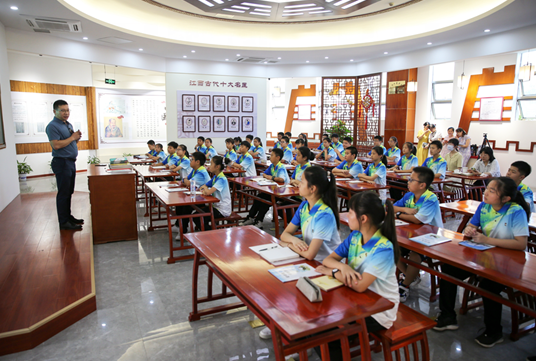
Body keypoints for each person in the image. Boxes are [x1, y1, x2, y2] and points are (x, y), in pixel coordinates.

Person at [434, 177, 530, 348]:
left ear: (505, 198)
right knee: (448, 270)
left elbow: (520, 244)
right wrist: (471, 230)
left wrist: (487, 239)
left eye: (492, 191)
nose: (485, 192)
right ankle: (447, 316)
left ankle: (494, 331)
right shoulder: (484, 206)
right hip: (483, 256)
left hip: (509, 261)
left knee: (489, 287)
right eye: (488, 188)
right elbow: (471, 226)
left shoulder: (516, 212)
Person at [258, 166, 342, 345]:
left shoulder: (324, 214)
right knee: (274, 277)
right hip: (307, 259)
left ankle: (303, 337)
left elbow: (311, 254)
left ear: (312, 189)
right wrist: (293, 242)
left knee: (289, 285)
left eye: (302, 181)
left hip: (324, 266)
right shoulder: (305, 205)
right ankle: (280, 323)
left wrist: (290, 243)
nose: (297, 183)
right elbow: (285, 234)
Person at [314, 191, 400, 360]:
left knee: (323, 331)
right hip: (354, 299)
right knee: (316, 319)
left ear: (363, 219)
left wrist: (334, 271)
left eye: (350, 212)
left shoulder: (383, 248)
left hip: (379, 310)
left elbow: (360, 286)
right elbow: (329, 259)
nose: (347, 215)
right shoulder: (355, 236)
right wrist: (341, 267)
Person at [393, 167, 443, 302]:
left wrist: (398, 214)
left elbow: (418, 219)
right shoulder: (409, 195)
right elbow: (390, 207)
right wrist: (404, 210)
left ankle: (405, 285)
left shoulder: (430, 198)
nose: (408, 182)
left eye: (411, 180)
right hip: (411, 234)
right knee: (391, 247)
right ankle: (410, 275)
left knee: (415, 253)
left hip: (432, 238)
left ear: (422, 185)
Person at [46, 99, 83, 230]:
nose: (66, 113)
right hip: (62, 162)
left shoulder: (67, 124)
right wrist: (72, 138)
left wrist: (75, 139)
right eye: (62, 110)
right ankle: (63, 221)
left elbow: (68, 143)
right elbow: (56, 145)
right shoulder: (52, 126)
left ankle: (68, 217)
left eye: (67, 110)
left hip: (70, 162)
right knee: (63, 193)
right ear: (54, 111)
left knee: (69, 191)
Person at [239, 148, 289, 227]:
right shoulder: (272, 166)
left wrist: (271, 178)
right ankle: (250, 217)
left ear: (278, 157)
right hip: (274, 191)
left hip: (282, 192)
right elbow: (264, 174)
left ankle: (259, 221)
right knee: (259, 197)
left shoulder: (281, 167)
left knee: (265, 201)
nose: (270, 157)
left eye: (272, 155)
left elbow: (281, 179)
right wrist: (267, 176)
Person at [172, 152, 211, 235]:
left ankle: (183, 230)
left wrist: (186, 181)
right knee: (180, 203)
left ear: (197, 162)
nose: (190, 161)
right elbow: (185, 179)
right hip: (198, 195)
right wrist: (185, 180)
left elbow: (188, 183)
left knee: (186, 206)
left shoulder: (201, 172)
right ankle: (179, 225)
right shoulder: (195, 170)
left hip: (205, 198)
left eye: (192, 159)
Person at [197, 156, 232, 231]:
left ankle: (211, 234)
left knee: (198, 217)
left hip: (222, 209)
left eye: (211, 163)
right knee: (196, 214)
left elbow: (208, 192)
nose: (209, 165)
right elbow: (204, 186)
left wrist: (206, 189)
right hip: (215, 206)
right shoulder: (216, 177)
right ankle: (208, 231)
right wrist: (206, 189)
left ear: (217, 166)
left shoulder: (221, 179)